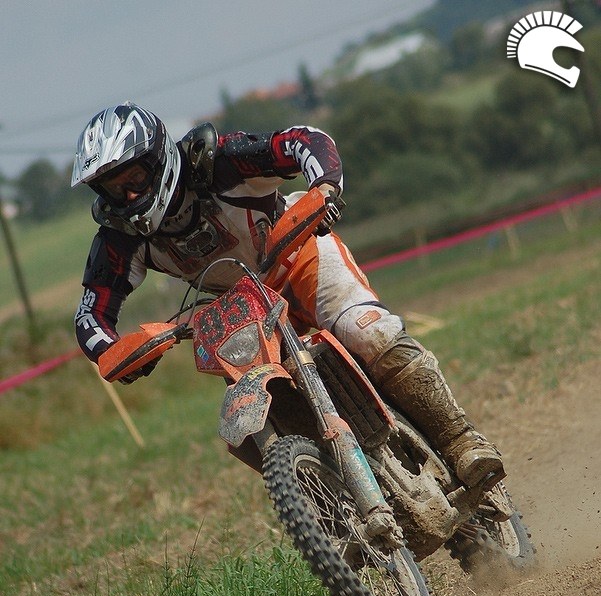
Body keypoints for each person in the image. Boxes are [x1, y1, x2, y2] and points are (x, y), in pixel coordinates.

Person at [72, 102, 503, 488]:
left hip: (299, 255)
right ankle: (330, 512)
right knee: (257, 417)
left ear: (157, 159)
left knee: (367, 333)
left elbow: (304, 140)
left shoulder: (219, 162)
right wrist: (114, 353)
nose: (128, 195)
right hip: (237, 309)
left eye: (134, 178)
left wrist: (324, 189)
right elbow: (90, 315)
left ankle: (461, 441)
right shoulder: (119, 238)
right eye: (114, 188)